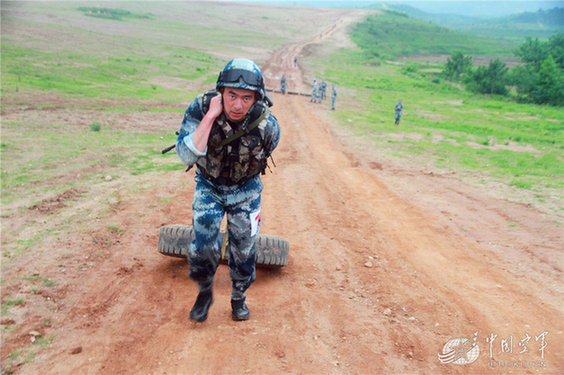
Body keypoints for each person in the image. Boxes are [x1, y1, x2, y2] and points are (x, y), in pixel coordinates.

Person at [175, 58, 281, 322]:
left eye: (247, 98)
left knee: (244, 248)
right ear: (220, 92)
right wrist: (211, 115)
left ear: (257, 98)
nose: (238, 105)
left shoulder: (268, 126)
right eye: (232, 95)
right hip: (209, 185)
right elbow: (186, 156)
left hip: (246, 190)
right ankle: (204, 290)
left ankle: (238, 297)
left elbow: (264, 156)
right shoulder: (200, 109)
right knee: (203, 244)